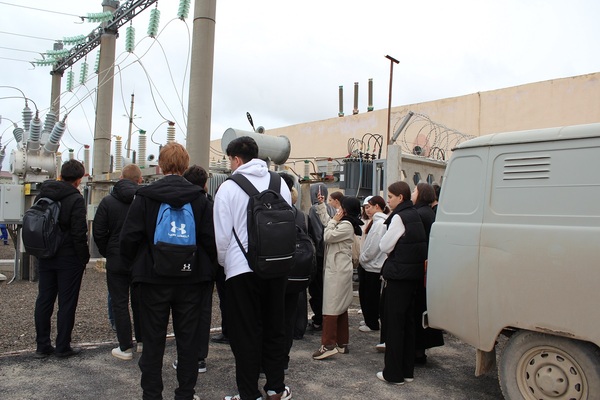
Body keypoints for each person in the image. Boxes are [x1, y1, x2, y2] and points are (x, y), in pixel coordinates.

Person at [120, 143, 217, 400]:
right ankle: (185, 393)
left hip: (153, 279)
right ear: (185, 166)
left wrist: (136, 266)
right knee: (188, 341)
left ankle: (152, 394)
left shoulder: (145, 196)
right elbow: (210, 241)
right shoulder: (199, 198)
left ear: (161, 166)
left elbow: (129, 239)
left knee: (153, 341)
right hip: (191, 279)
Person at [214, 136, 292, 400]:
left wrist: (226, 264)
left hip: (242, 269)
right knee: (275, 327)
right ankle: (276, 388)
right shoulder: (279, 183)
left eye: (230, 160)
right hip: (277, 266)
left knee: (246, 333)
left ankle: (249, 394)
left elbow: (222, 236)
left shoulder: (228, 188)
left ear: (236, 159)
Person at [34, 159, 90, 359]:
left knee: (44, 299)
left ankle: (42, 346)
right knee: (67, 303)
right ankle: (62, 346)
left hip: (45, 254)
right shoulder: (75, 199)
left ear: (61, 174)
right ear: (78, 179)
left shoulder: (43, 193)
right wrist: (83, 258)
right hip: (68, 258)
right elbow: (79, 233)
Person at [376, 181, 427, 385]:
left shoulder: (399, 217)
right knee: (408, 324)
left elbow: (384, 245)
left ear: (400, 197)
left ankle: (393, 374)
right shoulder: (414, 214)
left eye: (390, 196)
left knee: (394, 326)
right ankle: (407, 371)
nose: (388, 200)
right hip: (413, 276)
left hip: (398, 277)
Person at [93, 163, 144, 361]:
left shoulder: (108, 202)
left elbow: (99, 232)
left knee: (119, 303)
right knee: (140, 302)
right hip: (139, 259)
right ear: (139, 180)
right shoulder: (143, 200)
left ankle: (125, 347)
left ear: (121, 178)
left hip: (116, 259)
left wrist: (108, 251)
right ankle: (142, 342)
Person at [167, 164, 214, 373]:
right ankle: (199, 358)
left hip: (177, 264)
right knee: (202, 313)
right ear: (204, 184)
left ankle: (184, 357)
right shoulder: (207, 204)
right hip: (203, 267)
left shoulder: (174, 201)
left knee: (182, 314)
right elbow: (212, 238)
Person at [312, 195, 363, 360]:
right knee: (340, 307)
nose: (338, 209)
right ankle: (342, 343)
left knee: (331, 307)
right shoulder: (345, 223)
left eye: (341, 206)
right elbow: (328, 223)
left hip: (337, 271)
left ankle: (328, 345)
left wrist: (333, 220)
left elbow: (327, 236)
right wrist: (322, 205)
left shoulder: (346, 225)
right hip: (339, 269)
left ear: (346, 209)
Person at [411, 182, 444, 364]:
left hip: (419, 269)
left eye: (414, 190)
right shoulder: (429, 213)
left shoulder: (419, 214)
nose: (412, 193)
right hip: (427, 268)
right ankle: (420, 351)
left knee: (416, 310)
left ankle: (417, 351)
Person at [306, 185, 336, 332]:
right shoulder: (332, 209)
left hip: (318, 255)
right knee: (327, 289)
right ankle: (326, 319)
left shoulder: (313, 209)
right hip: (330, 254)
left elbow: (317, 233)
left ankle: (318, 320)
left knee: (316, 289)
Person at [358, 196, 389, 332]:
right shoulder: (377, 222)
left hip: (372, 265)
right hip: (371, 264)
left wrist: (363, 258)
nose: (367, 210)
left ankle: (371, 322)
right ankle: (369, 319)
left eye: (369, 207)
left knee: (370, 296)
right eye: (365, 207)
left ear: (377, 206)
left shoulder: (379, 224)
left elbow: (373, 246)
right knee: (369, 295)